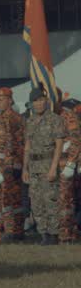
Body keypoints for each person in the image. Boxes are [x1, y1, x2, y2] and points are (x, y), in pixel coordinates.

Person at [24, 88, 64, 244]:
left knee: (50, 200)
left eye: (41, 100)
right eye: (35, 101)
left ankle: (53, 234)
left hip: (48, 165)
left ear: (46, 101)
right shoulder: (30, 121)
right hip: (33, 167)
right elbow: (27, 146)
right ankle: (43, 234)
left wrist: (54, 167)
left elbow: (59, 145)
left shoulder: (55, 119)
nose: (38, 104)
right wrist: (25, 169)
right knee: (36, 201)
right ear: (32, 103)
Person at [0, 86, 25, 243]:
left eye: (2, 99)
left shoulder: (16, 118)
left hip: (10, 167)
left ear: (10, 100)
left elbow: (20, 143)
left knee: (11, 200)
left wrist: (17, 165)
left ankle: (14, 231)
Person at [58, 98, 81, 242]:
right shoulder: (58, 116)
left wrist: (71, 164)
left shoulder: (68, 117)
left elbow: (76, 140)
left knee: (66, 200)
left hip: (66, 164)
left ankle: (68, 233)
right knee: (65, 200)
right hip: (59, 163)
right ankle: (67, 231)